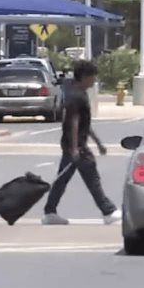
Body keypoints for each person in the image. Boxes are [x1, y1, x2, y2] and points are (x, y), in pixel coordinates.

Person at [42, 60, 121, 226]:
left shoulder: (78, 93)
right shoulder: (77, 96)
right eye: (92, 77)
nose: (94, 81)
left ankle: (50, 212)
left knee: (62, 180)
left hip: (74, 145)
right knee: (91, 177)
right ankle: (108, 211)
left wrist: (98, 142)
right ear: (84, 77)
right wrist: (75, 148)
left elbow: (84, 124)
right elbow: (74, 122)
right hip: (76, 147)